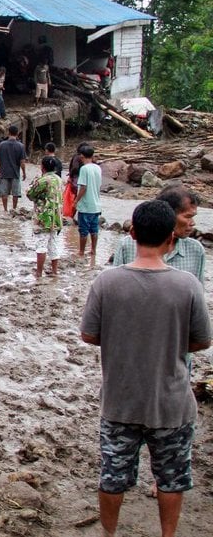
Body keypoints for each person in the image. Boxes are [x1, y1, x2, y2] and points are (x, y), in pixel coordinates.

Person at [80, 199, 210, 537]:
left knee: (112, 477)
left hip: (120, 401)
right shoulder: (188, 285)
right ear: (171, 238)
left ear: (133, 233)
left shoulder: (107, 283)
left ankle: (109, 533)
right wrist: (168, 341)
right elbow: (202, 341)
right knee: (171, 479)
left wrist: (124, 339)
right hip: (172, 402)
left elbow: (89, 335)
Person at [113, 186, 204, 282]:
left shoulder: (195, 250)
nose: (193, 223)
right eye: (188, 217)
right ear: (168, 214)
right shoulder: (127, 245)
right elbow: (115, 285)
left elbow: (197, 292)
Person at [27, 156, 64, 277]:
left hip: (43, 217)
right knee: (53, 244)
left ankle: (39, 272)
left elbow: (30, 194)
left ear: (42, 167)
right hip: (56, 217)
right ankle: (54, 271)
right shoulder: (58, 179)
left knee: (41, 245)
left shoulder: (43, 180)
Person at [74, 144, 102, 261]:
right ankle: (93, 251)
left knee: (83, 230)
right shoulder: (97, 168)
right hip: (96, 204)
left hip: (86, 205)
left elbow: (83, 187)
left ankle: (81, 251)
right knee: (94, 229)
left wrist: (76, 200)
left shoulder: (84, 169)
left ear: (82, 156)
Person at [0, 125, 27, 212]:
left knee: (4, 193)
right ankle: (14, 209)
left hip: (4, 172)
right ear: (17, 134)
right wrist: (24, 173)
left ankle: (5, 209)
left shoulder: (2, 145)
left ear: (8, 133)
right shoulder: (21, 146)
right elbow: (22, 162)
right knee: (15, 193)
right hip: (15, 173)